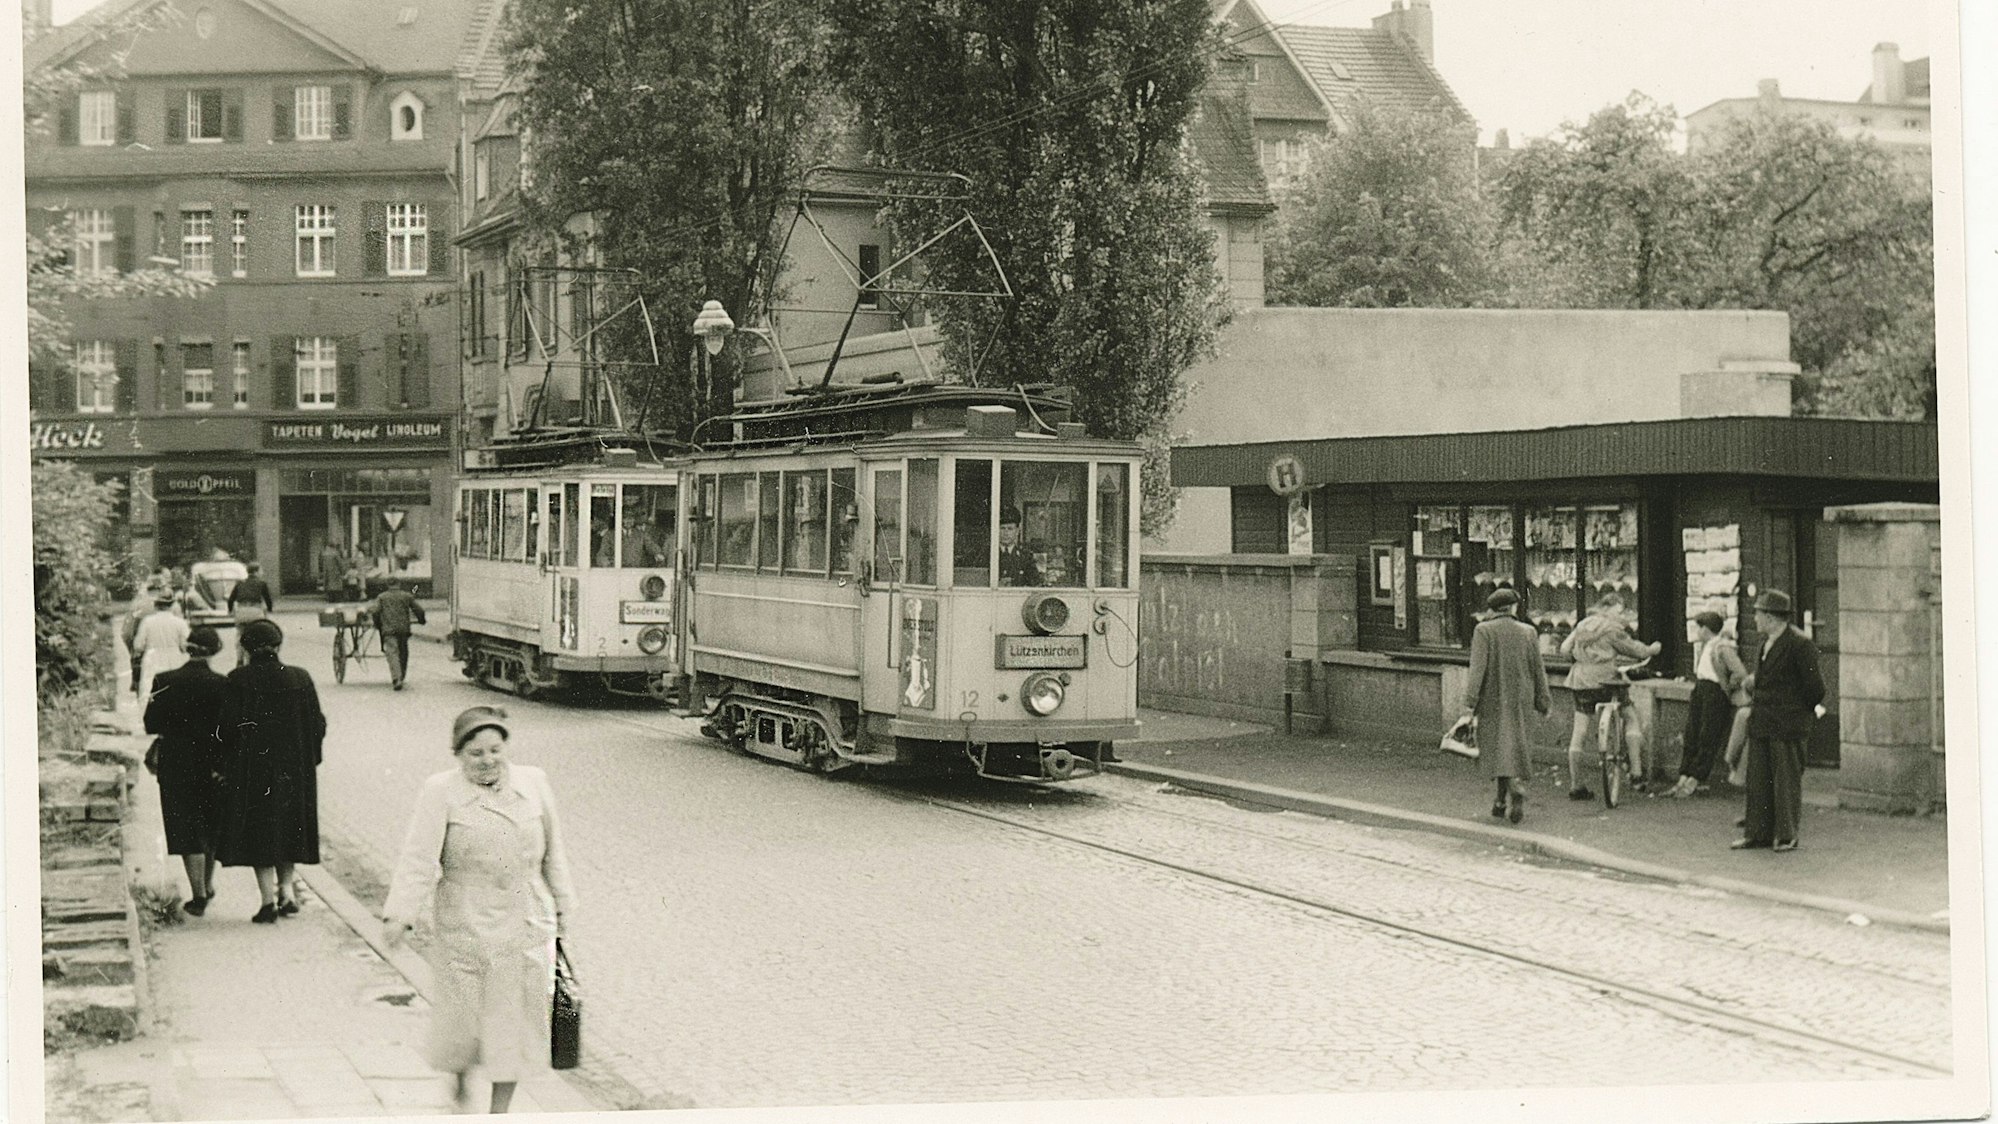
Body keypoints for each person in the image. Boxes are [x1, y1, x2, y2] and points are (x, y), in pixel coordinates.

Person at [382, 706, 577, 1114]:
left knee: (515, 1025)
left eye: (495, 750)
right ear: (458, 755)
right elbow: (419, 857)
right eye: (476, 753)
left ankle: (498, 1112)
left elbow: (554, 851)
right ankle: (459, 1077)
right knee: (464, 1021)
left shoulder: (534, 783)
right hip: (464, 918)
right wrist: (400, 914)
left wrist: (562, 907)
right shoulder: (441, 791)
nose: (488, 760)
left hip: (524, 919)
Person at [215, 619, 326, 923]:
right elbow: (317, 724)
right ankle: (287, 892)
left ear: (246, 648)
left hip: (253, 771)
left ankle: (267, 901)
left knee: (259, 830)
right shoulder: (300, 677)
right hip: (294, 770)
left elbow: (225, 729)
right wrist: (309, 759)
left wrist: (225, 764)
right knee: (290, 827)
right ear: (279, 645)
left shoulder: (238, 680)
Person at [144, 626, 229, 916]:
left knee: (185, 826)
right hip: (213, 764)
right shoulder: (223, 684)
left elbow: (150, 723)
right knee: (211, 825)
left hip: (176, 763)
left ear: (186, 648)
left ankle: (198, 893)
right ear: (216, 650)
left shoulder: (164, 680)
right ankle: (207, 885)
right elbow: (229, 730)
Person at [1733, 590, 1824, 853]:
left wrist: (1796, 711)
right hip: (1762, 722)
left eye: (1758, 613)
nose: (1755, 619)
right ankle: (1758, 833)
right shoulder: (1766, 643)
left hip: (1787, 724)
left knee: (1785, 782)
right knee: (1758, 780)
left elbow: (1815, 688)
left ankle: (1786, 835)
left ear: (1771, 617)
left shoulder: (1799, 644)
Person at [1459, 588, 1551, 824]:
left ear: (1493, 609)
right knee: (1512, 747)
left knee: (1496, 747)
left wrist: (1470, 703)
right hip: (1521, 698)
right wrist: (1543, 700)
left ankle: (1514, 789)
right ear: (1512, 608)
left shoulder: (1483, 631)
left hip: (1493, 698)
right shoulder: (1529, 632)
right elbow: (1538, 669)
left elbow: (1477, 670)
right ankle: (1500, 801)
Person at [1558, 592, 1660, 800]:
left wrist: (1581, 659)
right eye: (1619, 610)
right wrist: (1652, 649)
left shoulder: (1582, 624)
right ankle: (1637, 775)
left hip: (1581, 680)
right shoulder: (1611, 628)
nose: (1621, 615)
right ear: (1607, 608)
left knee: (1580, 731)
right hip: (1606, 680)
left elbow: (1564, 649)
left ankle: (1576, 785)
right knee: (1630, 716)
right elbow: (1635, 650)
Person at [1668, 612, 1749, 798]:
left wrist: (1728, 686)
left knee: (1707, 736)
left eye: (1699, 627)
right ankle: (1683, 776)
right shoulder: (1706, 646)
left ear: (1706, 629)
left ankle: (1695, 779)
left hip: (1714, 693)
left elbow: (1740, 672)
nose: (1697, 631)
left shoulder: (1722, 648)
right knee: (1692, 733)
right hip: (1701, 689)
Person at [132, 588, 192, 706]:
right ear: (172, 605)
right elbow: (186, 645)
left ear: (156, 605)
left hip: (152, 659)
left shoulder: (147, 621)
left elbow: (138, 646)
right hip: (175, 660)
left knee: (150, 693)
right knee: (175, 695)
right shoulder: (180, 623)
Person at [370, 577, 427, 691]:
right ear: (399, 584)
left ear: (388, 585)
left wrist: (377, 624)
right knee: (403, 652)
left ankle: (397, 678)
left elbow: (375, 611)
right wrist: (421, 620)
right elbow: (419, 610)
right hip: (403, 629)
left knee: (393, 653)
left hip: (389, 630)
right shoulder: (406, 596)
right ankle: (402, 675)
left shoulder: (382, 597)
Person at [997, 508, 1041, 588]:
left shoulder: (1026, 557)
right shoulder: (986, 554)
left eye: (1010, 529)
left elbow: (1035, 584)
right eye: (1002, 528)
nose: (1006, 533)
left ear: (1017, 531)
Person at [320, 539, 349, 603]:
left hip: (327, 572)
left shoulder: (324, 554)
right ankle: (337, 599)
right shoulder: (335, 554)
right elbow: (340, 564)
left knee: (329, 586)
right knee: (336, 587)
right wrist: (343, 571)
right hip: (335, 572)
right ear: (334, 546)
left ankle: (330, 598)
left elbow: (322, 564)